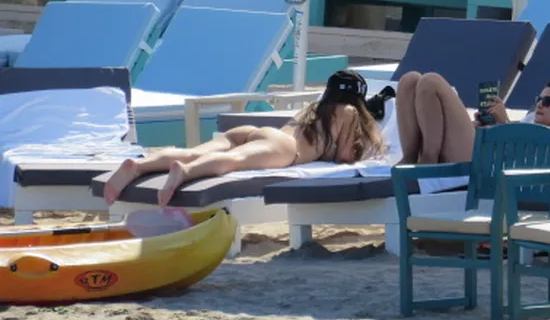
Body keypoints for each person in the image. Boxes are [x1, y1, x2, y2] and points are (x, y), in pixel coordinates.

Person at [103, 70, 386, 207]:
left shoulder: (314, 106)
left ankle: (138, 166)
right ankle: (185, 173)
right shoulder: (349, 112)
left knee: (195, 151)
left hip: (258, 131)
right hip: (286, 148)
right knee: (232, 161)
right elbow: (344, 157)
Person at [396, 71, 550, 164]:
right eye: (538, 99)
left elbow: (524, 156)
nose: (539, 104)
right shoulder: (525, 124)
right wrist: (480, 126)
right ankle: (410, 157)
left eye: (547, 101)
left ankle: (427, 162)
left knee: (431, 81)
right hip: (474, 153)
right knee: (409, 80)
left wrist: (505, 123)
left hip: (480, 167)